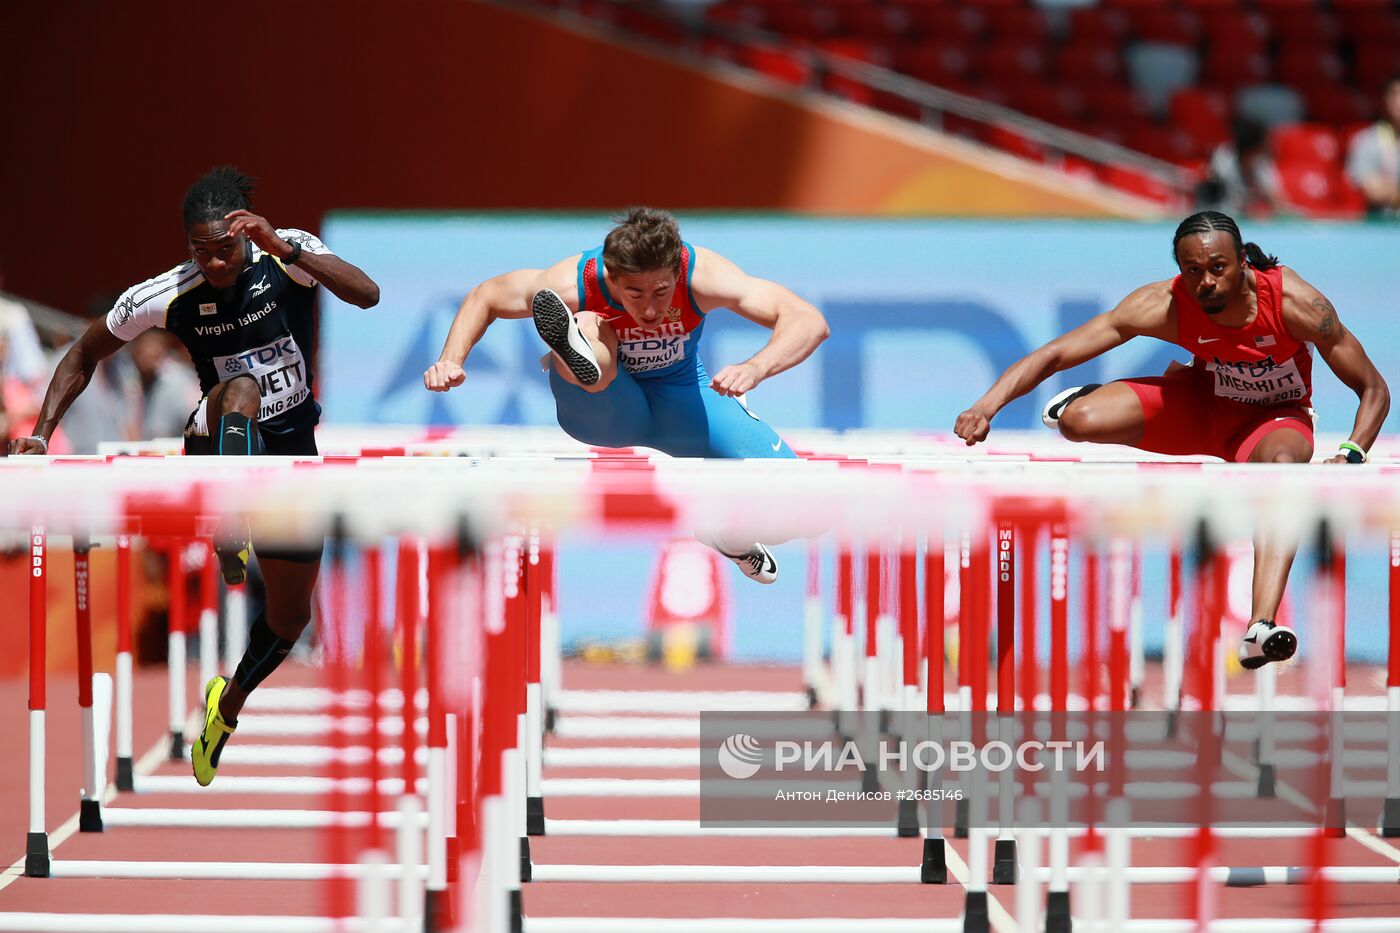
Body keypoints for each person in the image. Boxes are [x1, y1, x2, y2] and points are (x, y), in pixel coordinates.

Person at [8, 166, 380, 785]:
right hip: (214, 439)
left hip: (290, 455)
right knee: (238, 387)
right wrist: (41, 434)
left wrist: (282, 247)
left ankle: (224, 709)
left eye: (224, 249)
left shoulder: (289, 253)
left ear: (246, 233)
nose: (212, 263)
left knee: (289, 620)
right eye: (199, 251)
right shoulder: (169, 292)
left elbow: (366, 294)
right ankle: (229, 521)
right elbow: (81, 352)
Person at [954, 210, 1389, 670]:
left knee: (1283, 472)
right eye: (1193, 271)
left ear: (1243, 262)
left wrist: (1352, 452)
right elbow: (1057, 351)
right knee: (1078, 423)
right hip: (1199, 408)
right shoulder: (1162, 304)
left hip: (1273, 422)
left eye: (1218, 268)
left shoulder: (1296, 305)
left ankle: (1260, 626)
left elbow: (1374, 388)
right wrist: (986, 406)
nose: (1206, 283)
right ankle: (1087, 399)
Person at [423, 207, 828, 582]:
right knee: (586, 323)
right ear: (612, 277)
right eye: (635, 293)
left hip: (684, 400)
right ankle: (579, 350)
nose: (650, 310)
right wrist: (450, 359)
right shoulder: (572, 281)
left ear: (676, 273)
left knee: (810, 508)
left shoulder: (703, 275)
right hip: (605, 406)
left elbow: (807, 321)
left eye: (661, 291)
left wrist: (756, 367)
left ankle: (731, 537)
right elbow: (487, 296)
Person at [1345, 75, 1400, 219]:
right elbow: (1373, 191)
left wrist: (1394, 192)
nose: (1399, 101)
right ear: (1384, 100)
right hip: (1384, 225)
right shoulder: (1366, 140)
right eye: (1394, 94)